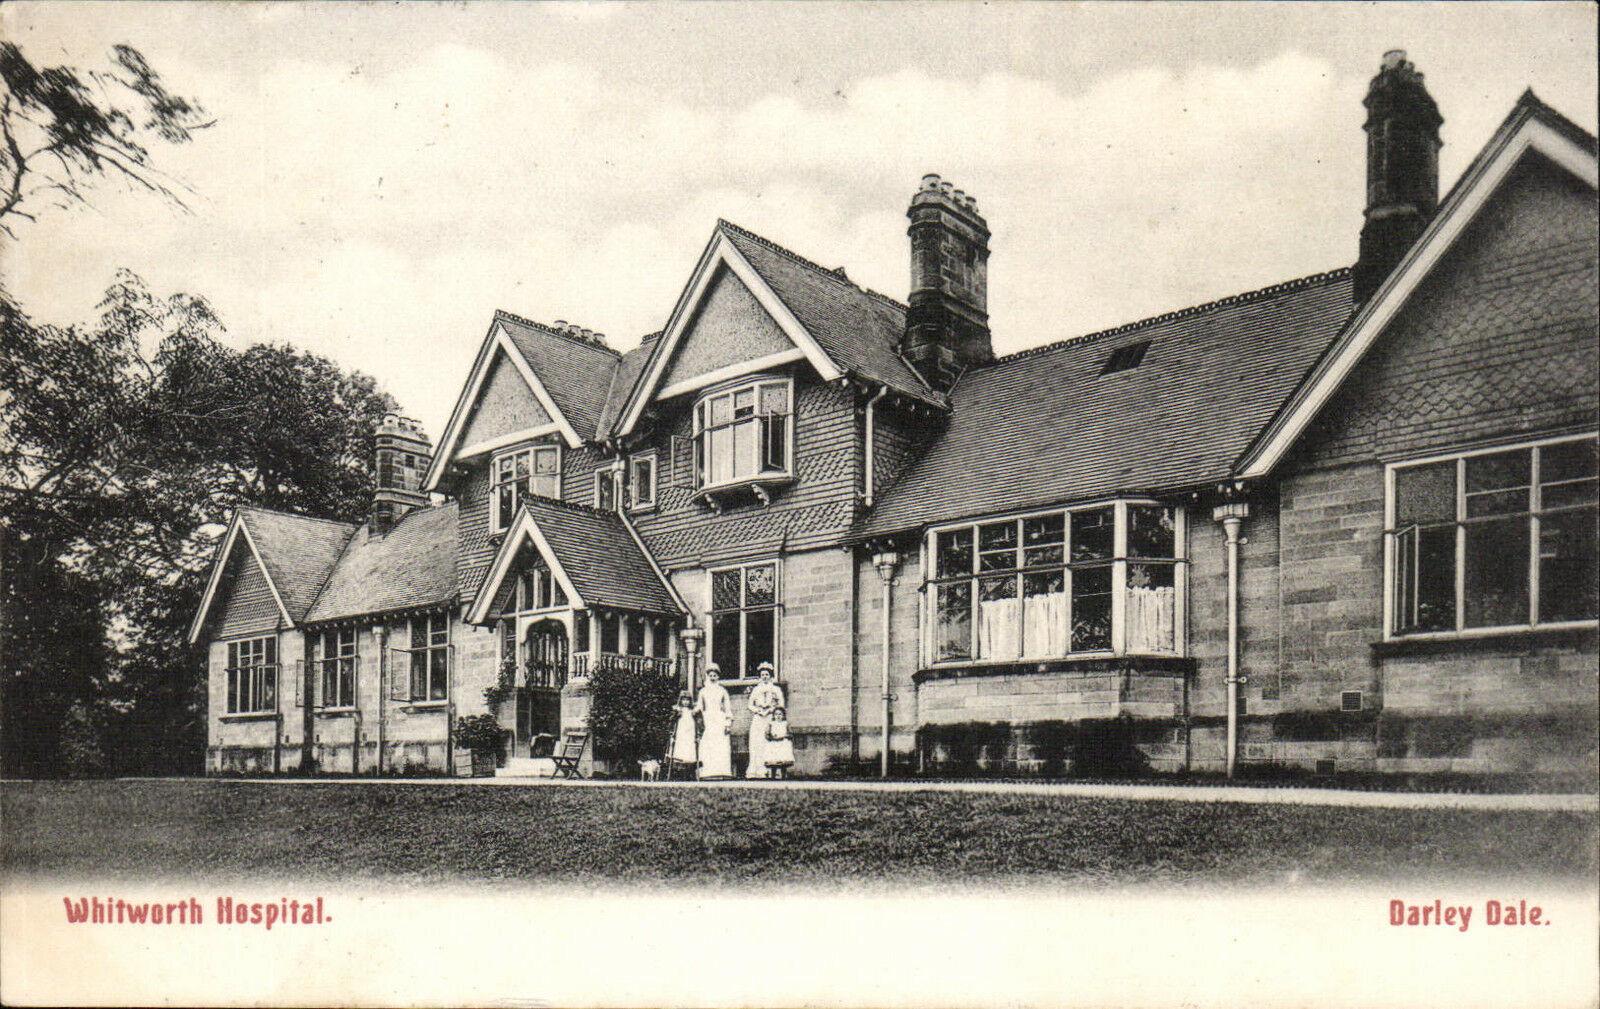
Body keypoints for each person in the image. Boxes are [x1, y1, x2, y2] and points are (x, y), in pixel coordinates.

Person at [745, 662, 784, 779]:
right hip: (758, 718)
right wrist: (758, 710)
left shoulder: (776, 689)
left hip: (770, 718)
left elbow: (781, 704)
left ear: (771, 676)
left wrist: (771, 710)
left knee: (770, 743)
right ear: (760, 676)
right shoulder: (756, 689)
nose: (765, 677)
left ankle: (772, 771)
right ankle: (757, 770)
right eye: (762, 675)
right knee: (757, 743)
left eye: (767, 674)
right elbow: (750, 704)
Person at [694, 665, 732, 780]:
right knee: (708, 744)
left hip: (719, 719)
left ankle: (721, 771)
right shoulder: (703, 691)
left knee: (720, 745)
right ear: (707, 676)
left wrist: (728, 723)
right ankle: (707, 772)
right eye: (710, 675)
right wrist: (691, 711)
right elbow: (699, 706)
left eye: (715, 675)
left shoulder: (722, 691)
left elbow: (727, 708)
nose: (712, 678)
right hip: (708, 719)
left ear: (718, 677)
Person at [668, 691, 697, 779]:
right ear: (680, 700)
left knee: (689, 751)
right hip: (681, 733)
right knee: (680, 751)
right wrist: (672, 733)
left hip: (690, 733)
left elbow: (697, 723)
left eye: (687, 700)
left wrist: (697, 734)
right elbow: (672, 722)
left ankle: (689, 773)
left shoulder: (692, 711)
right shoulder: (678, 710)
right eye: (683, 700)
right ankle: (679, 774)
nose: (685, 702)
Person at [764, 705, 795, 779]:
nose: (778, 716)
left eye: (780, 714)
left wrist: (785, 736)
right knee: (774, 760)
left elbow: (790, 734)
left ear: (783, 715)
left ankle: (783, 776)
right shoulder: (771, 724)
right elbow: (767, 734)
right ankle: (773, 776)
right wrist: (771, 737)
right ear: (773, 715)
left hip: (783, 743)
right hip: (774, 744)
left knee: (782, 760)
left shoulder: (785, 724)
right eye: (776, 714)